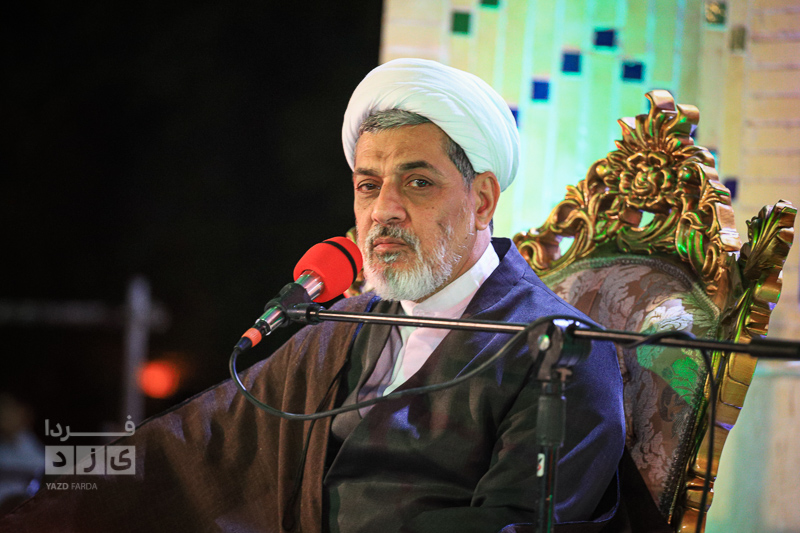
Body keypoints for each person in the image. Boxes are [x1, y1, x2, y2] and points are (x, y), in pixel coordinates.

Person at [0, 58, 624, 533]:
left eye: (417, 182)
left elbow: (516, 522)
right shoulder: (343, 330)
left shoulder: (559, 353)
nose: (383, 211)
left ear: (481, 200)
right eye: (368, 185)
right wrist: (43, 504)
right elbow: (190, 446)